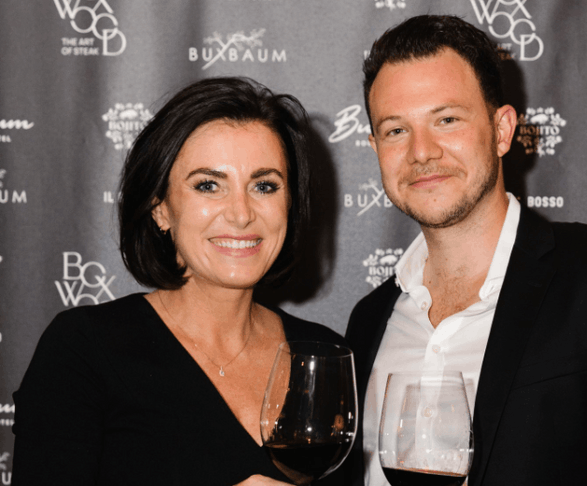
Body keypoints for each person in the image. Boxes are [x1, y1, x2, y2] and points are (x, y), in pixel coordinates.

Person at [345, 15, 587, 486]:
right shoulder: (368, 321)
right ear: (374, 147)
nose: (421, 151)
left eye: (446, 120)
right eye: (396, 130)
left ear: (501, 130)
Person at [12, 77, 346, 486]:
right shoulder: (84, 349)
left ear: (289, 205)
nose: (241, 213)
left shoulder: (324, 360)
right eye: (209, 185)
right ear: (161, 209)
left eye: (264, 186)